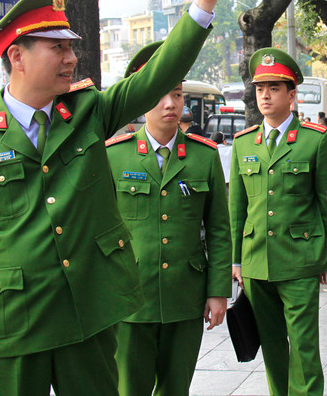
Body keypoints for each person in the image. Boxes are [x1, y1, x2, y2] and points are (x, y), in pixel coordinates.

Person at [0, 0, 242, 396]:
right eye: (57, 47)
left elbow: (154, 76)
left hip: (88, 317)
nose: (72, 57)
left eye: (71, 46)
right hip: (13, 327)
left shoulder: (88, 112)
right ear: (17, 56)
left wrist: (203, 5)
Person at [106, 42, 232, 396]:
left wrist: (218, 291)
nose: (170, 104)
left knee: (177, 388)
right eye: (160, 95)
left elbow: (220, 230)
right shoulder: (115, 156)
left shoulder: (203, 156)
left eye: (177, 94)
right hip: (131, 297)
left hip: (185, 295)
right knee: (130, 388)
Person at [228, 48, 327, 396]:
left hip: (300, 260)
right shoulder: (244, 142)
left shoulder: (316, 139)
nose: (265, 95)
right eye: (260, 88)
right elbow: (237, 207)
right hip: (256, 262)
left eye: (274, 88)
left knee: (304, 348)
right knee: (273, 347)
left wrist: (323, 256)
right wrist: (236, 259)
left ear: (292, 95)